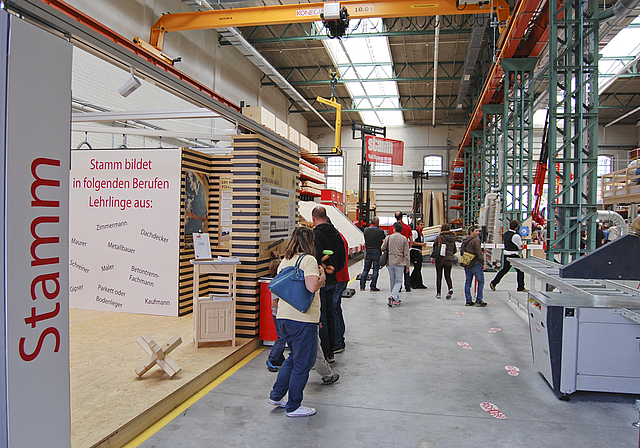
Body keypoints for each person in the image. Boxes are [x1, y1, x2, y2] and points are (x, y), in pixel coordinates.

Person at [269, 226, 326, 417]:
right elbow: (311, 287)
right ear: (310, 242)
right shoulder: (309, 260)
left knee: (294, 358)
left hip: (284, 317)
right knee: (303, 362)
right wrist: (322, 279)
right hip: (302, 318)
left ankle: (277, 395)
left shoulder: (285, 261)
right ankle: (293, 406)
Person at [311, 206, 346, 364]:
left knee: (321, 316)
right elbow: (342, 260)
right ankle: (331, 351)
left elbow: (314, 258)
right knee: (331, 314)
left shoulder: (316, 234)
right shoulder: (337, 235)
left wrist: (322, 270)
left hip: (321, 281)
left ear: (313, 218)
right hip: (333, 281)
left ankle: (324, 353)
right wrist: (332, 271)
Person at [489, 220, 526, 293]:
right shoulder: (516, 236)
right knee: (520, 271)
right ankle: (521, 287)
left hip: (506, 254)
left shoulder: (505, 234)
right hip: (514, 255)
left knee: (504, 270)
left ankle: (494, 283)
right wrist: (522, 246)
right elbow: (520, 247)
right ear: (516, 227)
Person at [382, 221, 410, 307]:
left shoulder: (389, 237)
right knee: (399, 281)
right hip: (400, 262)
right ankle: (393, 296)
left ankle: (396, 299)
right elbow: (406, 253)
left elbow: (382, 248)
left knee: (392, 280)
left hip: (390, 261)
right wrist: (408, 265)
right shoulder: (404, 239)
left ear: (394, 229)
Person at [266, 256, 286, 372]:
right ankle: (272, 358)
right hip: (278, 314)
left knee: (283, 336)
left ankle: (279, 357)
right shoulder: (275, 284)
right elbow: (275, 302)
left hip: (280, 314)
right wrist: (282, 313)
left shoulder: (280, 282)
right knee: (282, 337)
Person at [460, 226, 487, 307]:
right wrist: (482, 262)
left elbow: (461, 252)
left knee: (468, 281)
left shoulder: (465, 241)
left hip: (467, 263)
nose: (478, 232)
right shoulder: (476, 241)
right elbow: (479, 253)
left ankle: (468, 300)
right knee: (481, 281)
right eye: (476, 231)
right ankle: (479, 299)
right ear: (471, 232)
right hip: (475, 263)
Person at [332, 230, 349, 354]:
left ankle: (337, 342)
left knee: (333, 311)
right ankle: (340, 340)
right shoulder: (340, 237)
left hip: (337, 279)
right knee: (337, 309)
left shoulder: (335, 239)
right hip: (342, 277)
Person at [360, 216, 385, 292]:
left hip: (368, 251)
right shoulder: (380, 231)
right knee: (375, 269)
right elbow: (383, 239)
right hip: (377, 251)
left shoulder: (366, 230)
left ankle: (362, 286)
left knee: (366, 269)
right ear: (377, 223)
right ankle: (373, 287)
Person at [432, 223, 457, 299]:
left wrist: (433, 257)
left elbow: (434, 247)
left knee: (439, 276)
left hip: (440, 259)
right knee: (448, 276)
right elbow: (454, 250)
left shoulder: (439, 237)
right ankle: (450, 289)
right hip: (449, 260)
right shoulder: (452, 238)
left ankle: (438, 293)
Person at [390, 211, 413, 292]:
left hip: (395, 253)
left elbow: (390, 239)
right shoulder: (407, 227)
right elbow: (411, 240)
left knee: (396, 273)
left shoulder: (392, 227)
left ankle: (398, 288)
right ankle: (407, 286)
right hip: (404, 251)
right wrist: (408, 248)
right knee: (406, 269)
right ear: (402, 217)